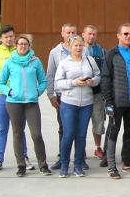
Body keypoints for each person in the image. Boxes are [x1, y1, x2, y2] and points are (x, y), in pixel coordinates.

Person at [0, 35, 51, 177]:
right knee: (18, 134)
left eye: (25, 44)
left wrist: (37, 92)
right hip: (14, 103)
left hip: (31, 103)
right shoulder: (10, 62)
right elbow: (0, 83)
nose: (22, 46)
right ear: (16, 46)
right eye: (20, 44)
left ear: (29, 46)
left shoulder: (35, 61)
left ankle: (43, 165)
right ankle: (21, 165)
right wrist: (9, 91)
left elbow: (43, 81)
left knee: (36, 134)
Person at [0, 24, 32, 172]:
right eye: (6, 37)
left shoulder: (20, 52)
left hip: (17, 97)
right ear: (0, 38)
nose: (9, 39)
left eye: (11, 36)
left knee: (19, 129)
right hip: (0, 96)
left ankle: (23, 157)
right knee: (2, 129)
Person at [102, 23, 130, 178]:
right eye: (125, 34)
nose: (128, 36)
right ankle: (111, 166)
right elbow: (105, 78)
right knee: (113, 131)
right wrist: (108, 102)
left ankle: (127, 162)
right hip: (117, 101)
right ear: (118, 36)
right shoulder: (111, 54)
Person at [54, 35, 100, 178]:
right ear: (70, 47)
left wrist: (92, 81)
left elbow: (98, 76)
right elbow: (57, 83)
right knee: (68, 134)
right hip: (69, 103)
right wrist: (74, 82)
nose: (79, 48)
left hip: (86, 103)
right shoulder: (64, 63)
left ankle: (78, 165)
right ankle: (64, 165)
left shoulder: (90, 60)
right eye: (76, 45)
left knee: (81, 135)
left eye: (81, 45)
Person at [46, 23, 77, 170]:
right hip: (62, 96)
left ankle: (80, 157)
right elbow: (50, 74)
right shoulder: (55, 52)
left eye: (73, 32)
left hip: (80, 95)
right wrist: (51, 94)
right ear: (62, 34)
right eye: (68, 32)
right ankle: (62, 157)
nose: (70, 35)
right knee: (63, 128)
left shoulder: (82, 49)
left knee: (79, 128)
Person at [81, 25, 108, 163]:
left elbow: (105, 71)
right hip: (81, 93)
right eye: (89, 34)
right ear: (83, 34)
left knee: (98, 121)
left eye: (94, 34)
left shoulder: (101, 51)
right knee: (81, 122)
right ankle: (81, 148)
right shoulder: (78, 49)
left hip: (97, 93)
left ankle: (98, 147)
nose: (91, 36)